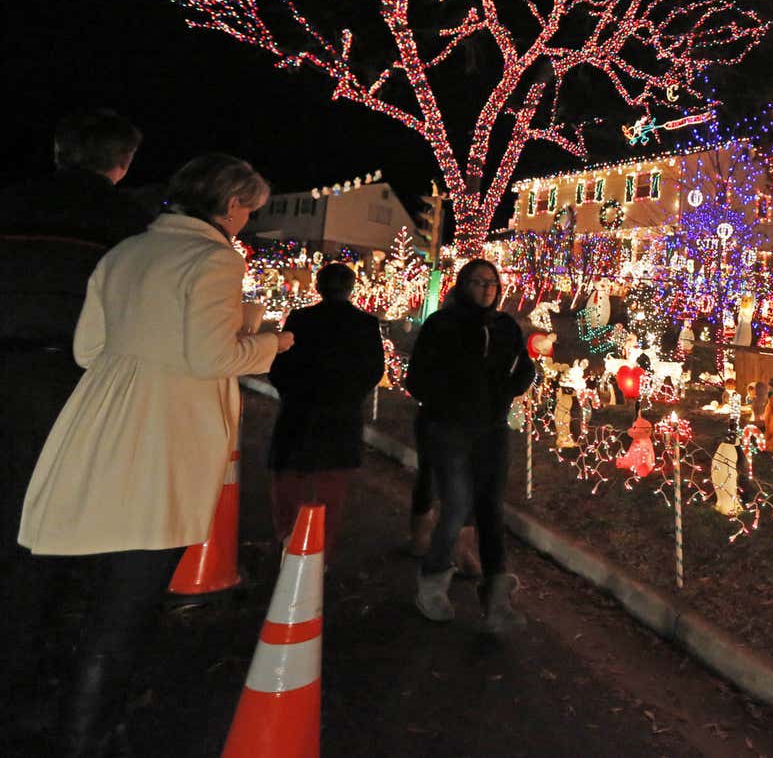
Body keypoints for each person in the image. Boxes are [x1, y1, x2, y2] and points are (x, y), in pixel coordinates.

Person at [17, 153, 291, 755]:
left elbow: (89, 348)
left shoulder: (124, 251)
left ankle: (62, 712)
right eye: (249, 208)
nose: (247, 220)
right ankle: (87, 733)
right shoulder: (215, 258)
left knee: (84, 587)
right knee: (128, 603)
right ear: (231, 204)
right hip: (163, 440)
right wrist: (274, 340)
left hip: (100, 424)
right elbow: (212, 358)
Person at [0, 109, 155, 720]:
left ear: (61, 150)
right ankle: (30, 670)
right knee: (45, 526)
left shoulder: (11, 200)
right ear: (122, 163)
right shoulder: (128, 222)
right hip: (66, 380)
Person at [405, 258, 538, 631]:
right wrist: (444, 404)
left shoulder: (505, 326)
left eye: (492, 283)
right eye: (478, 282)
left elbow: (524, 367)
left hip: (492, 429)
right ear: (463, 285)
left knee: (491, 510)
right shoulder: (442, 325)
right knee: (457, 505)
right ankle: (432, 580)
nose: (486, 289)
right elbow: (416, 376)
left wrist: (507, 393)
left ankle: (496, 598)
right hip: (449, 429)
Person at [267, 262, 384, 557]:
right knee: (331, 488)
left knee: (291, 480)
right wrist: (351, 395)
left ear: (318, 287)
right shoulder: (366, 324)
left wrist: (290, 392)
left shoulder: (300, 319)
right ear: (350, 288)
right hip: (341, 414)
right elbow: (373, 370)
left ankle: (286, 539)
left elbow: (279, 365)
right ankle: (320, 550)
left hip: (299, 410)